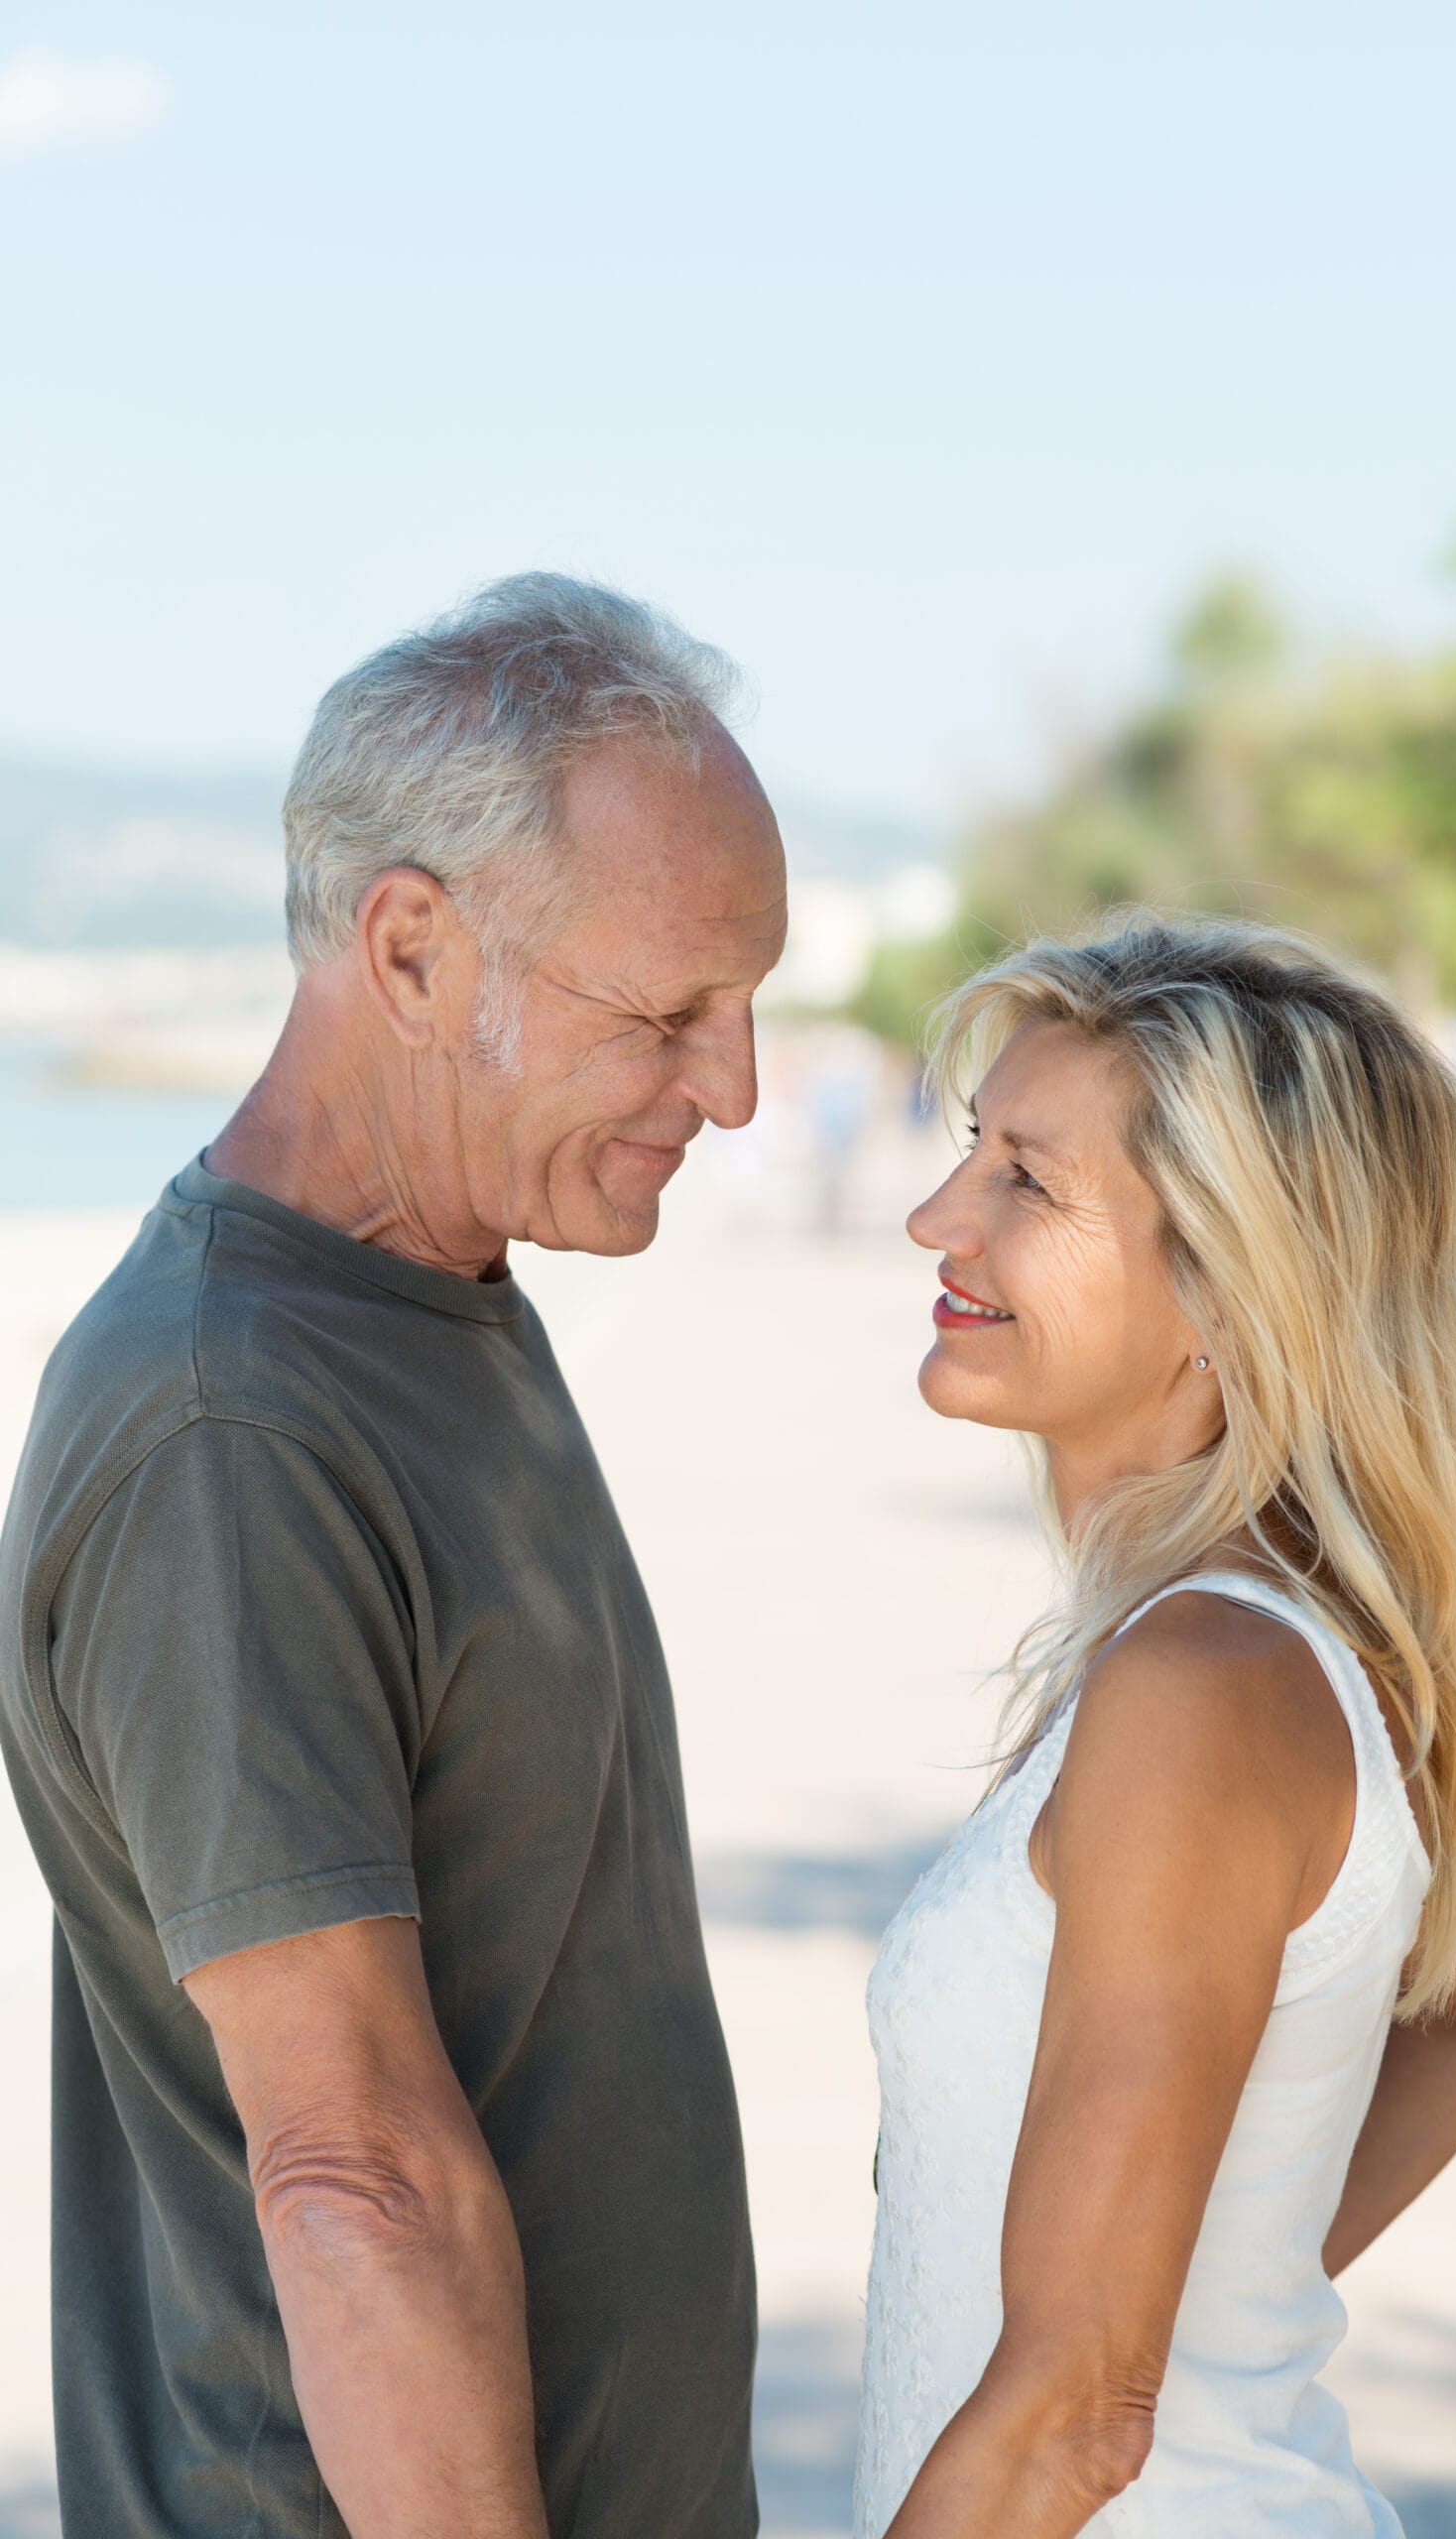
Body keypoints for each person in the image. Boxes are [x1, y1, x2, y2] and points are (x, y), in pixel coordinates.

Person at [0, 575, 788, 2539]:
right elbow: (347, 2167)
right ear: (412, 946)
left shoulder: (429, 1298)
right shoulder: (230, 1429)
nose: (740, 1085)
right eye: (667, 1010)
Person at [854, 914, 1456, 2539]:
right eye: (971, 1150)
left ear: (1233, 1289)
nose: (932, 1215)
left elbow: (1070, 2417)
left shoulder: (1203, 1689)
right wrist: (1205, 2287)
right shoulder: (1239, 1658)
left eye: (1026, 1181)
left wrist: (1143, 2333)